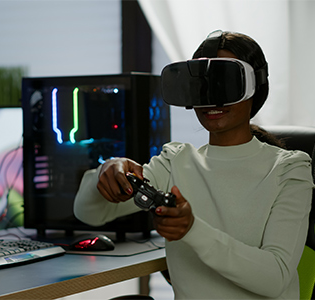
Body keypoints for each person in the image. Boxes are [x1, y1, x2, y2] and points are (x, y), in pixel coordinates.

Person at [73, 31, 314, 299]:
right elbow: (89, 213)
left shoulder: (290, 169)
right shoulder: (176, 161)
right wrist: (106, 173)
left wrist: (192, 230)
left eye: (225, 83)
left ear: (255, 87)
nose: (212, 98)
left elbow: (275, 277)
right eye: (203, 86)